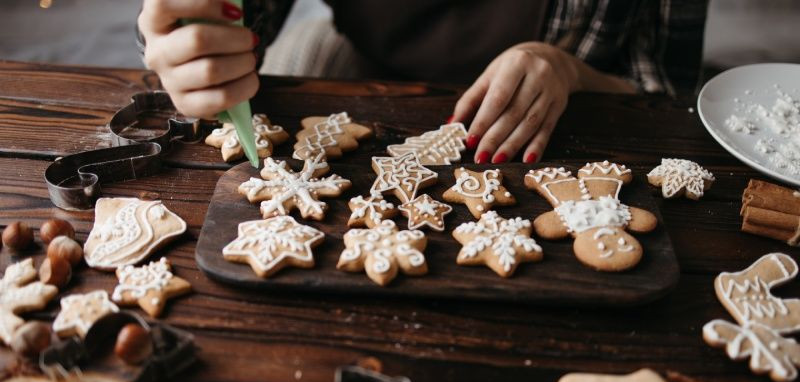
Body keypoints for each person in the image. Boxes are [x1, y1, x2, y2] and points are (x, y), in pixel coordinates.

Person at [137, 0, 708, 164]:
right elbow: (244, 17)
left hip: (576, 100)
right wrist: (192, 39)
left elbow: (663, 99)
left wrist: (565, 67)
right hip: (368, 60)